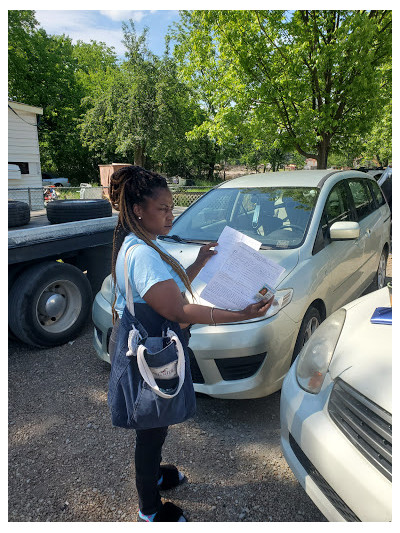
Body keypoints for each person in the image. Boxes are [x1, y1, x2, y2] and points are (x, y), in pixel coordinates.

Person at [108, 165, 274, 522]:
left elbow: (169, 292)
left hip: (151, 350)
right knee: (150, 430)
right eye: (163, 209)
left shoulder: (140, 243)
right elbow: (180, 308)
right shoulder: (143, 254)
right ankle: (149, 509)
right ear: (138, 210)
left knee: (158, 420)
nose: (171, 215)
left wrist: (198, 263)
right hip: (151, 357)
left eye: (172, 207)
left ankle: (153, 475)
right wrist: (243, 315)